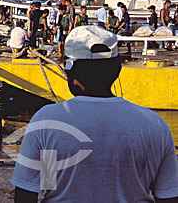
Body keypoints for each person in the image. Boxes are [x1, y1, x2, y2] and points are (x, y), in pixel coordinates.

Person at [11, 25, 178, 202]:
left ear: (69, 71)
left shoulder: (47, 120)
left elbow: (26, 194)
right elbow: (168, 196)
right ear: (117, 70)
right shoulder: (154, 124)